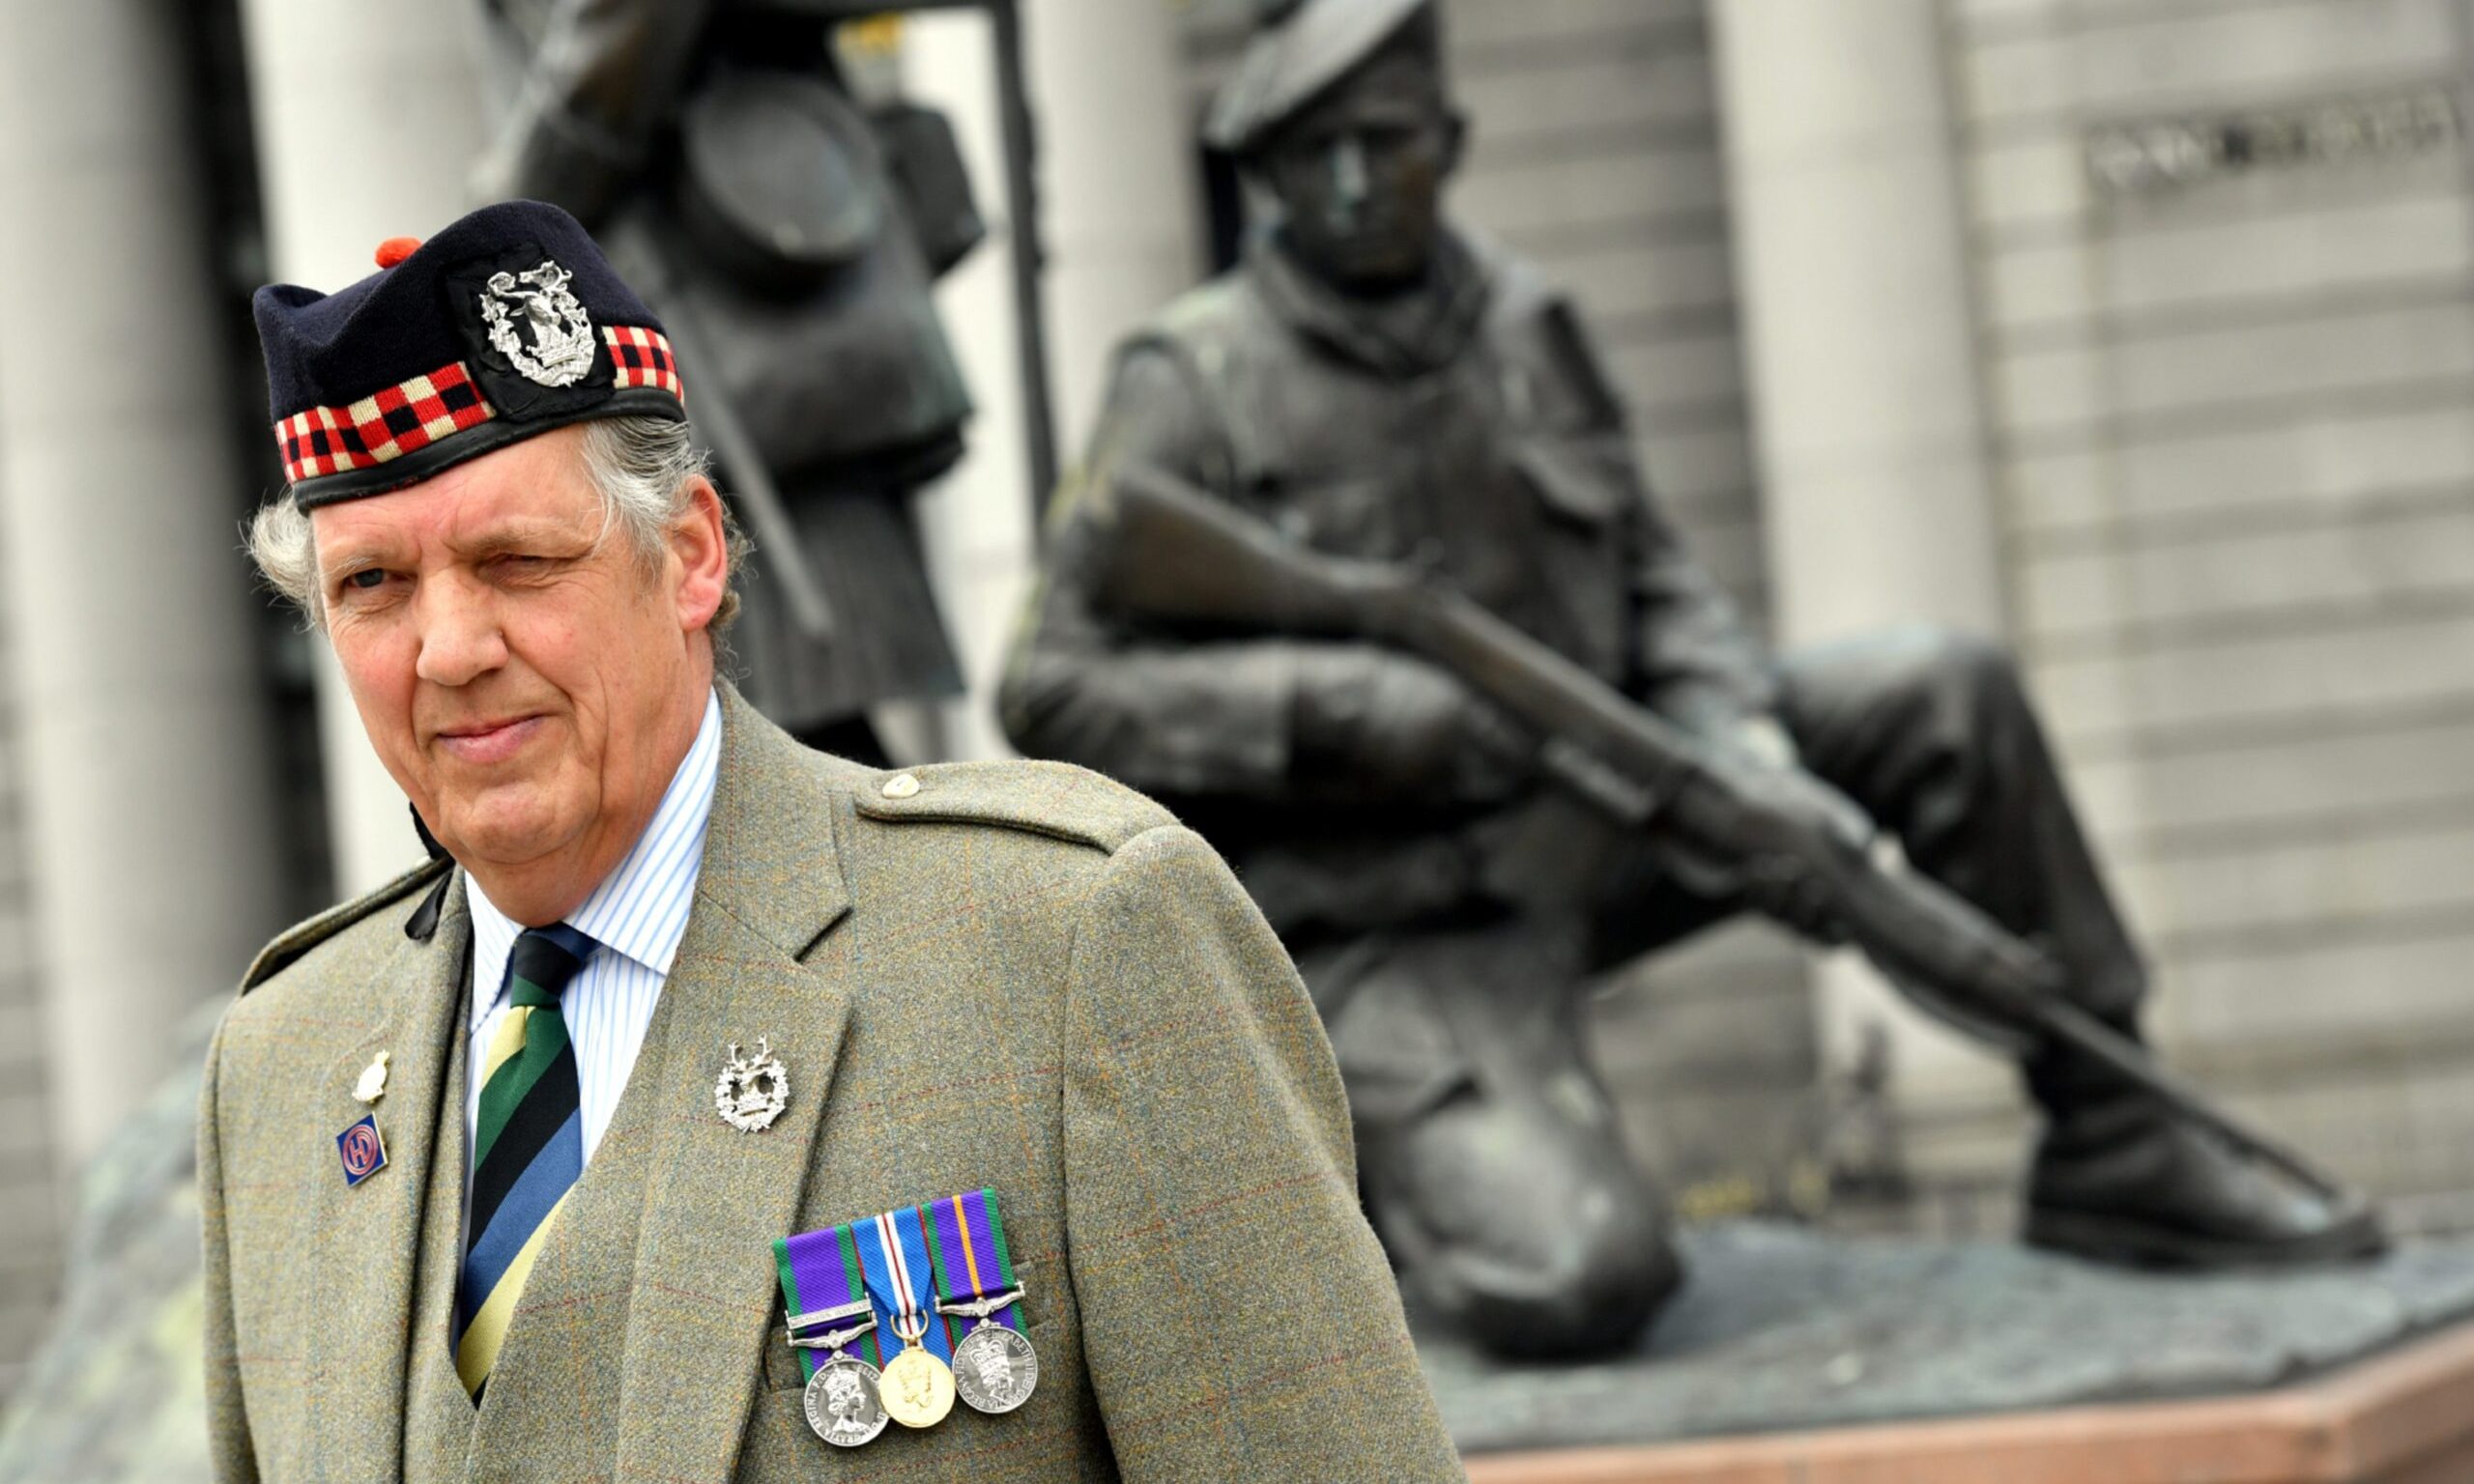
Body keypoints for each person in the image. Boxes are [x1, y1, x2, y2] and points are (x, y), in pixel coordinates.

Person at [999, 0, 2382, 1361]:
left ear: (1453, 137)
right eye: (1315, 160)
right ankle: (1389, 1191)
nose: (1356, 184)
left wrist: (1752, 759)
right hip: (1399, 929)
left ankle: (2120, 1137)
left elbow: (1661, 585)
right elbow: (1051, 689)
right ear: (1266, 178)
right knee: (1580, 1279)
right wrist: (1335, 712)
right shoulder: (1192, 380)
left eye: (1387, 142)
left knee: (1935, 691)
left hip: (1601, 817)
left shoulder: (1528, 327)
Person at [201, 200, 1465, 1482]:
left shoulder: (1069, 946)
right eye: (373, 587)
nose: (453, 651)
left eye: (519, 561)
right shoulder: (284, 1062)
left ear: (689, 557)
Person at [472, 0, 987, 764]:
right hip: (757, 339)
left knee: (767, 720)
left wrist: (494, 219)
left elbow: (599, 84)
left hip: (744, 364)